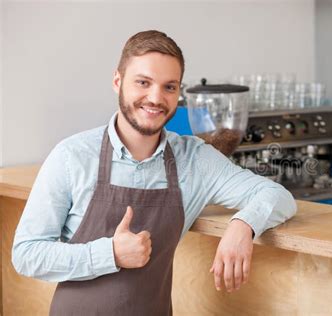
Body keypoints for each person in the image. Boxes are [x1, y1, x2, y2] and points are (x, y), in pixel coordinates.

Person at [12, 30, 297, 315]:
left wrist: (242, 226)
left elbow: (276, 194)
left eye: (169, 87)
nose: (155, 97)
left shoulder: (195, 161)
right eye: (143, 82)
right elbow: (27, 254)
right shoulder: (71, 156)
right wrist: (109, 254)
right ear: (117, 81)